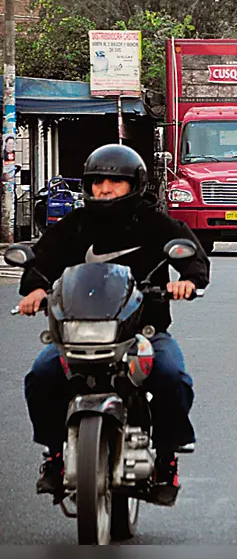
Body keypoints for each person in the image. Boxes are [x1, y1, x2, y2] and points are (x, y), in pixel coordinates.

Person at [16, 144, 210, 507]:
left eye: (115, 181)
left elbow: (191, 254)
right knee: (41, 375)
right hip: (77, 332)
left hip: (141, 333)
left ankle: (166, 459)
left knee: (171, 376)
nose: (105, 189)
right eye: (97, 182)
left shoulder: (154, 223)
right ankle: (54, 455)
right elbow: (42, 262)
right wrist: (36, 289)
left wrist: (188, 281)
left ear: (134, 185)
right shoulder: (75, 225)